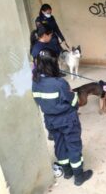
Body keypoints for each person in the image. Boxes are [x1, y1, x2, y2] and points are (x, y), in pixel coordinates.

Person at [32, 49, 93, 186]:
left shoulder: (35, 82)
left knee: (59, 145)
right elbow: (73, 102)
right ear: (53, 64)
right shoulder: (60, 83)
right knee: (73, 146)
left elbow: (38, 101)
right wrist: (73, 94)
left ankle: (67, 172)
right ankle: (79, 176)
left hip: (50, 121)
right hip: (67, 120)